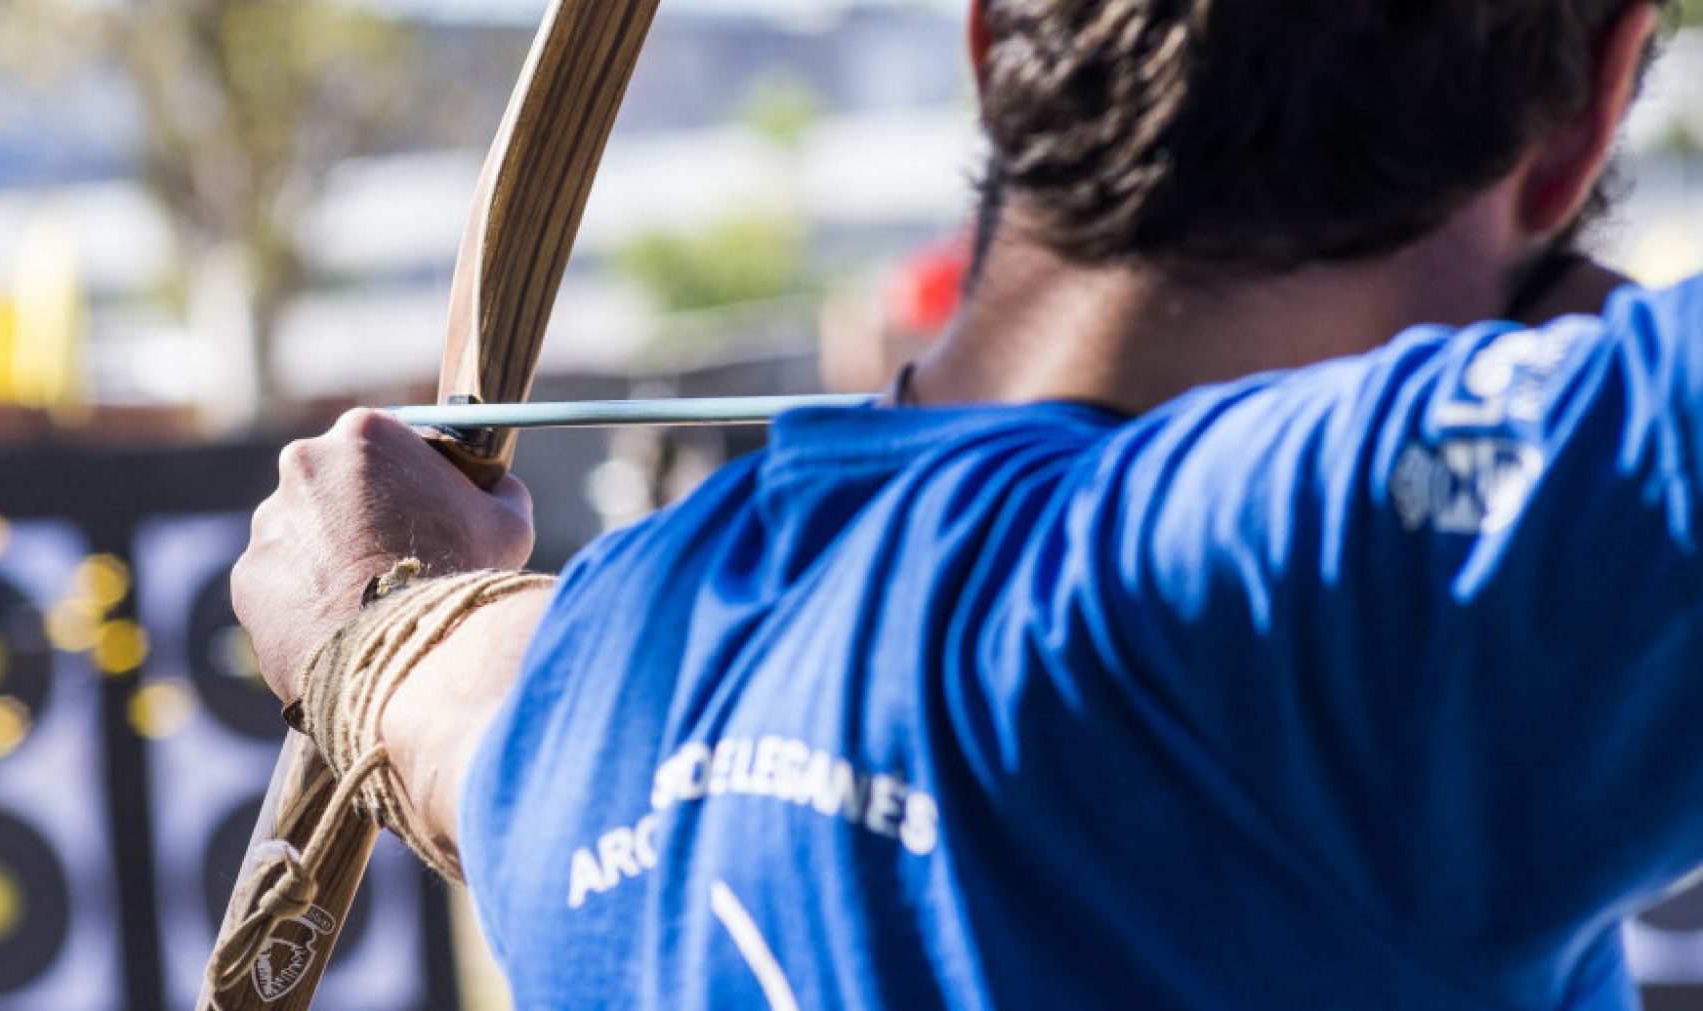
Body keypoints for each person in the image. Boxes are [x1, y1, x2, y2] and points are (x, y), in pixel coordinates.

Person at [232, 0, 1703, 1006]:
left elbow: (436, 688)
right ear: (1579, 119)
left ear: (994, 46)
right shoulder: (1330, 589)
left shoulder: (622, 681)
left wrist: (381, 617)